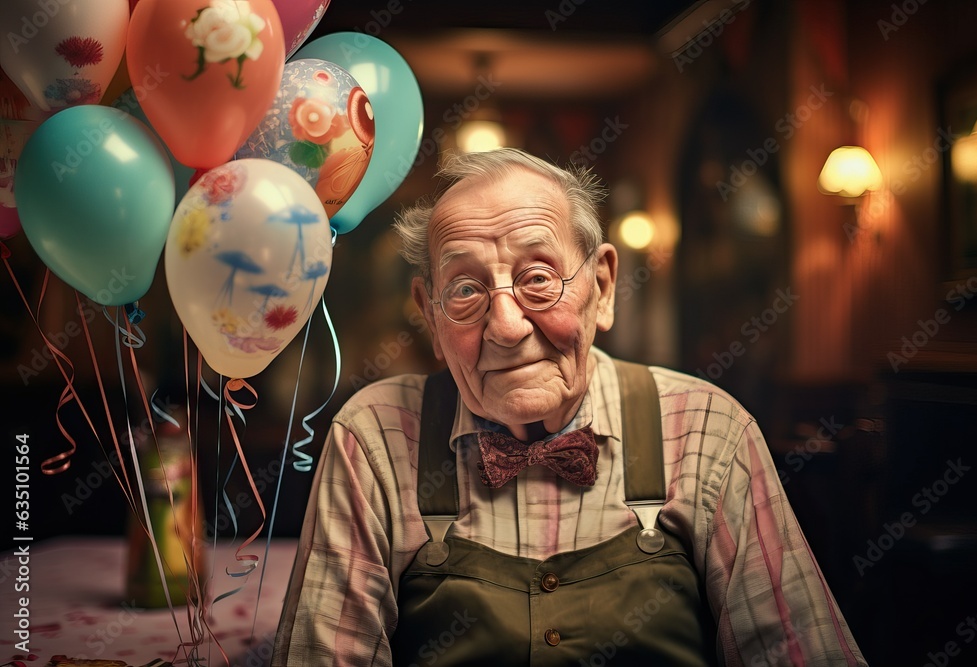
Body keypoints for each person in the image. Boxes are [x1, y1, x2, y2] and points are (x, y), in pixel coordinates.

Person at [271, 148, 868, 666]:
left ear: (602, 288)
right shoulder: (374, 437)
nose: (506, 326)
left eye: (538, 277)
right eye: (466, 289)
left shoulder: (708, 427)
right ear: (430, 314)